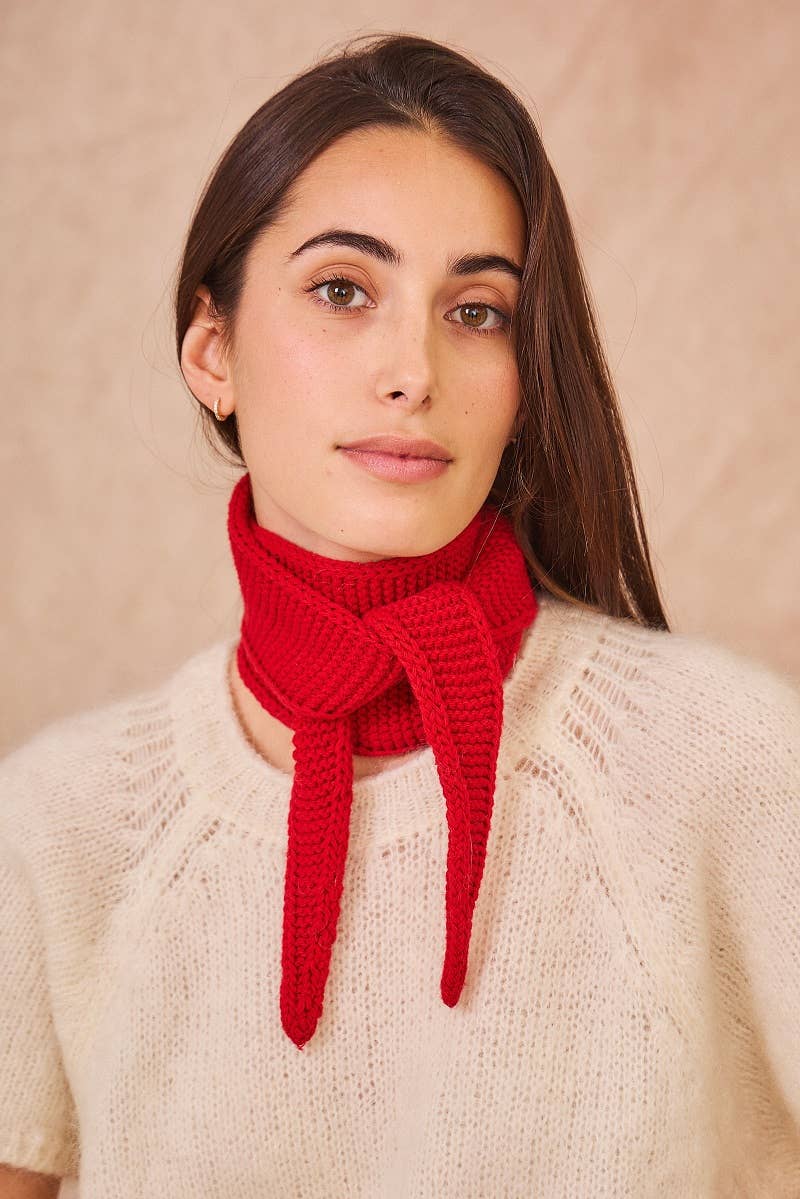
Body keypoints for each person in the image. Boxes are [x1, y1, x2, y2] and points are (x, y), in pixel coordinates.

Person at [1, 31, 798, 1199]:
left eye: (475, 310)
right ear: (212, 351)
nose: (412, 370)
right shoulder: (58, 825)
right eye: (341, 290)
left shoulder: (729, 765)